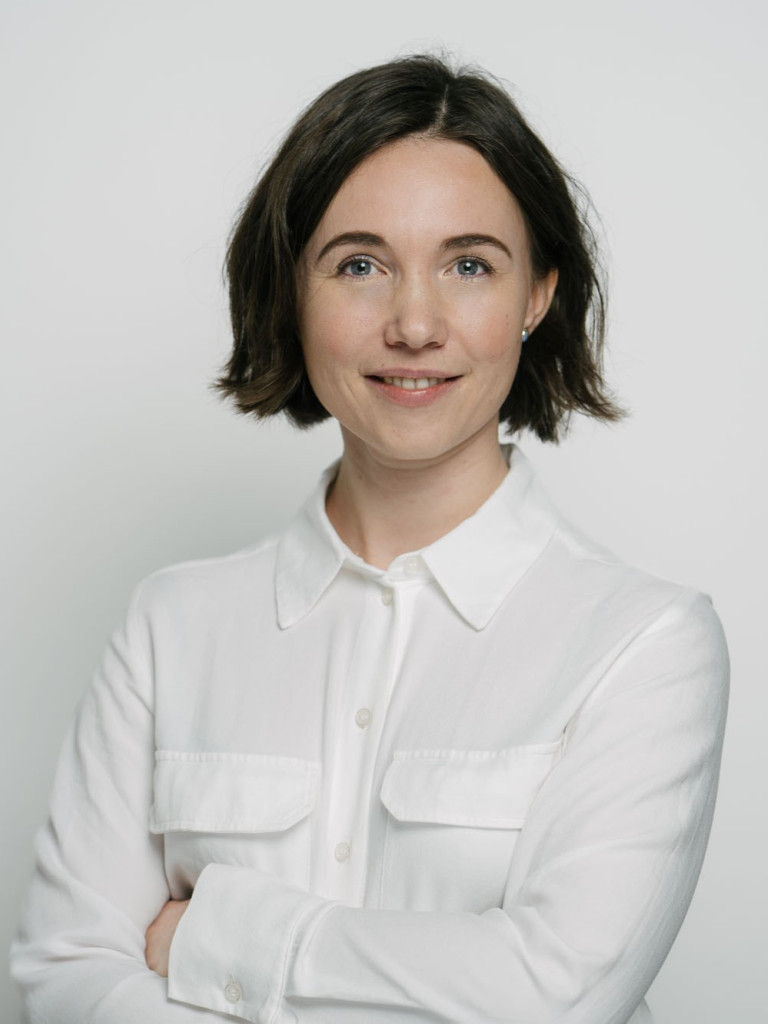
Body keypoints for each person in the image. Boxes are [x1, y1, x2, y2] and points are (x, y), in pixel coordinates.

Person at [11, 55, 728, 1023]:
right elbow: (64, 976)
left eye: (469, 264)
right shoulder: (169, 627)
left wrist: (221, 935)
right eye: (360, 264)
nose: (415, 323)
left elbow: (559, 997)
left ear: (537, 295)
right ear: (292, 292)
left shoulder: (643, 644)